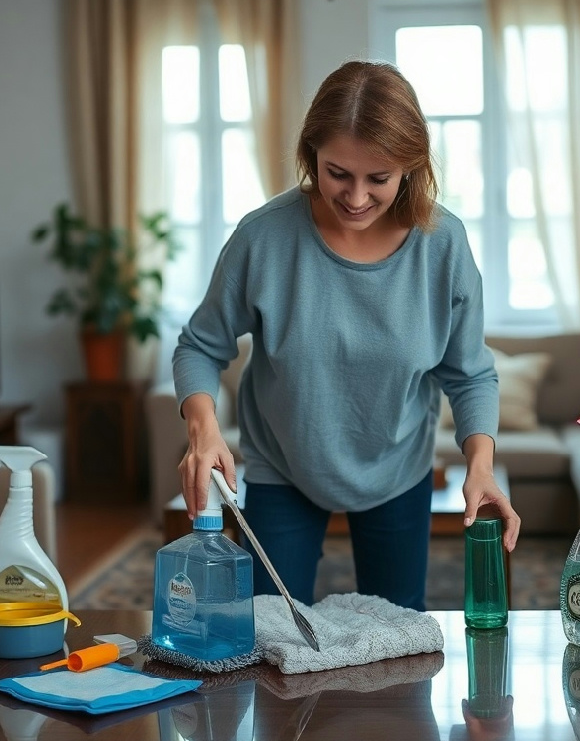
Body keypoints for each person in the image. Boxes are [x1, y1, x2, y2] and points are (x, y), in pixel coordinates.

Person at [172, 59, 521, 611]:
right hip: (282, 467)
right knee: (271, 637)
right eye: (338, 172)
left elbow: (470, 373)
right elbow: (200, 345)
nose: (356, 197)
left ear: (411, 167)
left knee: (396, 642)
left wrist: (479, 465)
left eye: (378, 179)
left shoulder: (443, 245)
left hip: (398, 470)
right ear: (312, 155)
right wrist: (205, 429)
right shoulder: (263, 238)